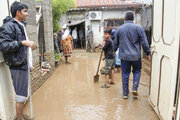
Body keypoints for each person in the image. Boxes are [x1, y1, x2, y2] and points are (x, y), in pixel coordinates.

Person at [0, 1, 37, 120]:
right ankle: (19, 118)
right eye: (25, 11)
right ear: (17, 12)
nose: (27, 14)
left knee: (23, 94)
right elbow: (4, 45)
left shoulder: (20, 25)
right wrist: (23, 42)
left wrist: (30, 62)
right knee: (21, 96)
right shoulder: (9, 26)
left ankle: (20, 115)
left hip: (23, 64)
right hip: (17, 65)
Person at [114, 11, 151, 99]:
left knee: (125, 73)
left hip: (124, 56)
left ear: (125, 18)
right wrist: (148, 52)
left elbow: (116, 43)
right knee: (137, 71)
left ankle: (126, 94)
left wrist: (113, 50)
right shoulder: (139, 28)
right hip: (136, 56)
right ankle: (134, 88)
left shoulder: (120, 29)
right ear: (133, 18)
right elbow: (144, 42)